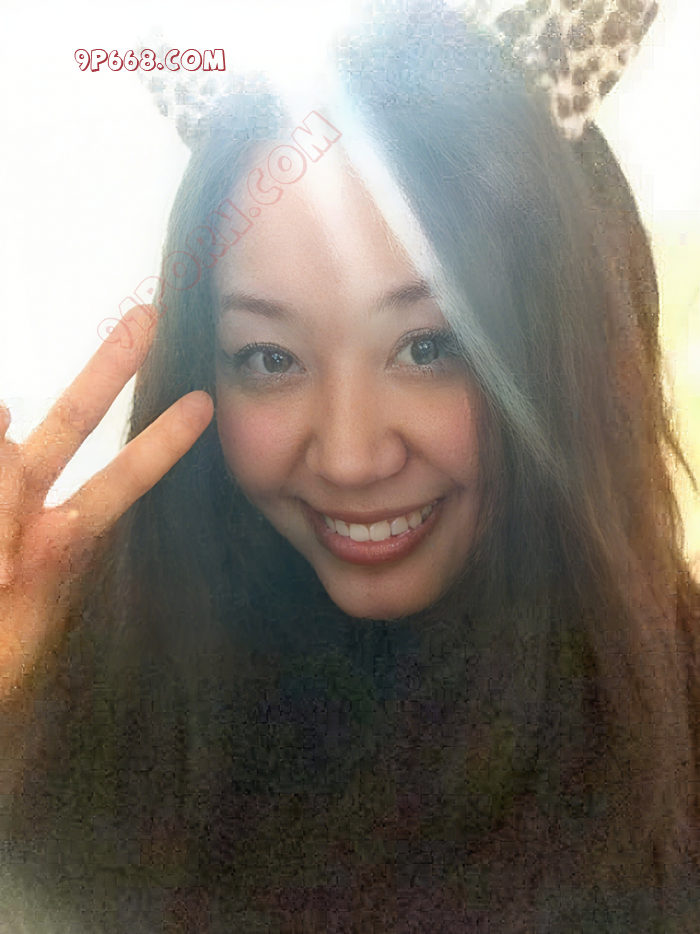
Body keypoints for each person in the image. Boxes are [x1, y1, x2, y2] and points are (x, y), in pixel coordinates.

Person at [1, 1, 699, 930]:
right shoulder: (110, 697)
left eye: (429, 346)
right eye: (270, 358)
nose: (349, 458)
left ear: (572, 351)